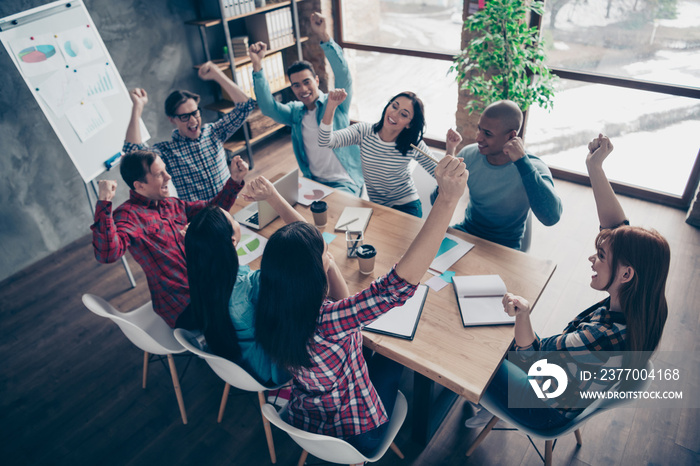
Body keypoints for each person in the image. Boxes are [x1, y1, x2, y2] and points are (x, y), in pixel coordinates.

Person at [254, 155, 468, 454]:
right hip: (356, 432)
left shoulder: (270, 301)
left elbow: (308, 250)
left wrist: (321, 258)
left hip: (306, 415)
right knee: (398, 354)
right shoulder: (329, 320)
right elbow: (397, 287)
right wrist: (446, 200)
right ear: (311, 274)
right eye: (323, 254)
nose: (326, 250)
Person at [464, 134, 670, 430]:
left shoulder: (600, 337)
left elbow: (530, 355)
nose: (591, 259)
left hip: (545, 408)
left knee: (477, 346)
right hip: (572, 388)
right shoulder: (643, 300)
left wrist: (524, 313)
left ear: (626, 275)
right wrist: (594, 167)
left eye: (600, 255)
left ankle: (489, 401)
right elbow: (616, 230)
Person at [91, 149, 248, 329]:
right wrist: (104, 202)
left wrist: (234, 181)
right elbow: (107, 254)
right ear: (140, 186)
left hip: (205, 287)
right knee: (251, 301)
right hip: (184, 307)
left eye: (165, 170)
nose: (168, 177)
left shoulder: (171, 204)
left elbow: (211, 213)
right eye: (159, 174)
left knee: (252, 288)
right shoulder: (128, 216)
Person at [184, 176, 303, 386]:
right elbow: (309, 241)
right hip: (271, 371)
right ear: (232, 241)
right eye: (233, 220)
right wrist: (273, 197)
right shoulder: (250, 285)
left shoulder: (200, 276)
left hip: (238, 362)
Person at [249, 12, 363, 196]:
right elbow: (268, 107)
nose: (303, 89)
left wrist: (324, 36)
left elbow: (343, 74)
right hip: (312, 182)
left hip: (344, 181)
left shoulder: (335, 102)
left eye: (306, 82)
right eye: (296, 85)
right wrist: (257, 65)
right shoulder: (295, 113)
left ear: (317, 80)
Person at [319, 89, 463, 218]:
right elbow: (325, 141)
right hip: (376, 207)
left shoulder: (413, 144)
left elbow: (442, 175)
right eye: (394, 106)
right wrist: (331, 105)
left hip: (407, 207)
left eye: (403, 114)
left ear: (409, 124)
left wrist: (450, 148)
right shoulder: (363, 131)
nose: (394, 114)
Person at [123, 62, 255, 202]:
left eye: (195, 113)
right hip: (200, 217)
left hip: (231, 202)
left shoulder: (214, 132)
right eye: (185, 116)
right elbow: (132, 151)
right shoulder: (167, 152)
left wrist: (217, 74)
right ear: (172, 119)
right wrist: (137, 107)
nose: (193, 121)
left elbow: (245, 107)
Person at [447, 100, 562, 249]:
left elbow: (551, 217)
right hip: (467, 232)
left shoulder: (533, 166)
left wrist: (522, 163)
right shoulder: (468, 154)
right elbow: (435, 199)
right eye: (479, 129)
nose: (478, 138)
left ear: (511, 136)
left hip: (505, 245)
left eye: (487, 134)